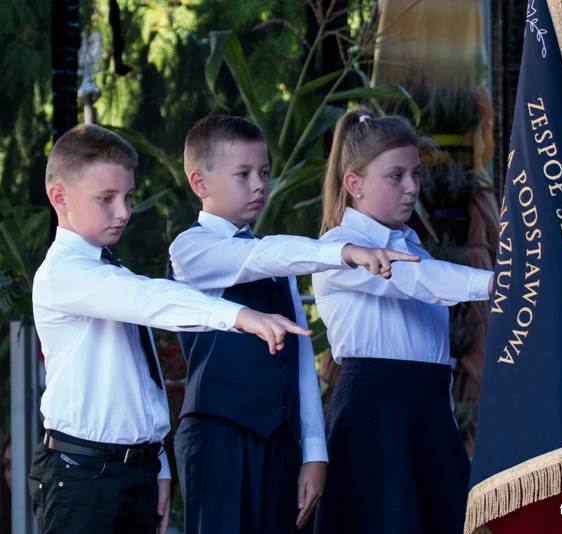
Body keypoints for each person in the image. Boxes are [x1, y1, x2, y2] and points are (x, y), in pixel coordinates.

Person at [29, 123, 311, 534]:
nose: (123, 212)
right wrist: (239, 316)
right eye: (106, 199)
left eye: (127, 197)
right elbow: (152, 299)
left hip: (133, 472)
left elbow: (142, 378)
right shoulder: (64, 274)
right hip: (82, 475)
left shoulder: (108, 268)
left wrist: (159, 467)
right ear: (60, 197)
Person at [168, 115, 419, 534]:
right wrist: (345, 251)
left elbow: (302, 362)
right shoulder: (190, 248)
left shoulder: (279, 262)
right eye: (243, 174)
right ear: (200, 183)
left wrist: (314, 453)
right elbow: (260, 257)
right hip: (218, 439)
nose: (258, 185)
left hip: (280, 443)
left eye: (263, 172)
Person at [311, 109, 494, 534]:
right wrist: (498, 282)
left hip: (426, 411)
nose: (412, 187)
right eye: (396, 176)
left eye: (415, 174)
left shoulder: (413, 245)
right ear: (354, 184)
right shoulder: (339, 249)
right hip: (376, 415)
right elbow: (413, 280)